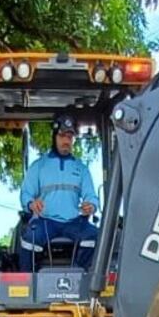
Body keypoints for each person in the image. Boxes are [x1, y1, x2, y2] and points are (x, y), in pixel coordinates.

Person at [18, 109, 100, 271]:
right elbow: (26, 194)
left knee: (95, 236)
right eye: (62, 136)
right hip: (45, 221)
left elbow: (92, 196)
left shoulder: (81, 168)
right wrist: (31, 204)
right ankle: (27, 285)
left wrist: (91, 205)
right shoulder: (39, 166)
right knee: (29, 239)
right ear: (54, 137)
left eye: (69, 137)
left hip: (74, 222)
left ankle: (81, 276)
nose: (66, 141)